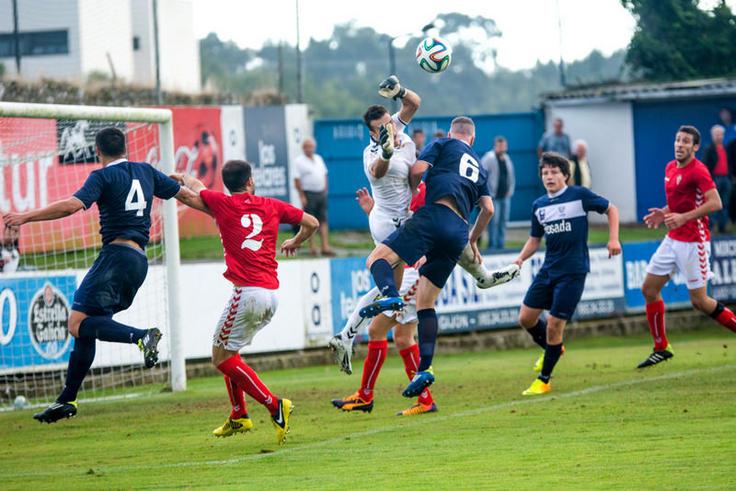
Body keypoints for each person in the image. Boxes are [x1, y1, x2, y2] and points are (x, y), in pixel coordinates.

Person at [3, 127, 186, 423]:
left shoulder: (102, 176)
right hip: (139, 260)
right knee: (86, 324)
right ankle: (67, 400)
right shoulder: (147, 171)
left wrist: (26, 217)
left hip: (115, 257)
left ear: (97, 151)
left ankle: (141, 337)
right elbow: (183, 193)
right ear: (124, 147)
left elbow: (72, 206)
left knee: (77, 322)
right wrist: (215, 204)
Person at [327, 79, 501, 381]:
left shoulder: (396, 129)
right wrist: (385, 151)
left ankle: (346, 336)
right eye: (381, 129)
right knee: (396, 301)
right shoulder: (372, 152)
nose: (388, 130)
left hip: (406, 220)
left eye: (389, 124)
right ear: (372, 133)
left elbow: (413, 104)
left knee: (392, 310)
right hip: (390, 224)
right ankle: (482, 276)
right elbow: (378, 172)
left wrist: (399, 91)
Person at [172, 160, 318, 444]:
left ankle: (275, 405)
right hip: (270, 295)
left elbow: (191, 194)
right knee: (231, 352)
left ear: (226, 185)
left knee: (220, 357)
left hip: (248, 293)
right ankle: (239, 414)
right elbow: (312, 223)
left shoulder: (221, 204)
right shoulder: (271, 205)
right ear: (250, 181)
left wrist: (169, 180)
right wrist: (296, 241)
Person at [358, 116, 494, 398]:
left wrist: (412, 189)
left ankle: (390, 294)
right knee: (426, 305)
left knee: (376, 260)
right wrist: (472, 238)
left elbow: (417, 169)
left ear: (450, 133)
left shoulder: (442, 144)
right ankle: (425, 369)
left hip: (435, 215)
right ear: (473, 138)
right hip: (458, 231)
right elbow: (489, 209)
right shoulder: (479, 165)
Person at [513, 152, 620, 395]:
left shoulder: (579, 195)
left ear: (565, 176)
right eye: (545, 173)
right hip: (548, 269)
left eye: (554, 172)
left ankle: (544, 380)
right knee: (526, 318)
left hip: (573, 271)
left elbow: (611, 209)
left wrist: (614, 239)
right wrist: (520, 258)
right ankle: (554, 349)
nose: (549, 176)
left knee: (554, 324)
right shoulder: (539, 205)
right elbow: (534, 239)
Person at [331, 185, 438, 416]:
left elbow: (430, 225)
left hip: (412, 272)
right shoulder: (404, 189)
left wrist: (427, 253)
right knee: (402, 336)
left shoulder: (421, 190)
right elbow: (398, 226)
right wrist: (372, 212)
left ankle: (365, 395)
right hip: (406, 269)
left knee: (377, 329)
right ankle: (425, 399)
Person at [638, 125, 736, 368]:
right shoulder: (670, 168)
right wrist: (665, 212)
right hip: (673, 238)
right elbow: (680, 203)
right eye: (677, 140)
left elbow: (716, 203)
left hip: (695, 241)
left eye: (685, 142)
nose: (679, 144)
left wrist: (684, 218)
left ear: (695, 147)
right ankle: (661, 347)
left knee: (700, 301)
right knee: (649, 289)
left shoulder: (699, 171)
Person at [293, 138, 334, 256]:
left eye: (311, 146)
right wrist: (302, 196)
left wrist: (325, 189)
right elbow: (296, 180)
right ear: (303, 148)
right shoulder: (299, 161)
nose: (309, 149)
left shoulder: (318, 159)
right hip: (308, 193)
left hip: (321, 193)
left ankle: (325, 246)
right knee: (309, 222)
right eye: (307, 146)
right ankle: (312, 247)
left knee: (324, 220)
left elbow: (324, 174)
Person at [482, 136, 515, 251]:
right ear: (495, 145)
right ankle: (492, 246)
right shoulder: (489, 158)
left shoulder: (507, 158)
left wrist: (510, 190)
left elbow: (511, 176)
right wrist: (487, 193)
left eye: (504, 145)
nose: (502, 147)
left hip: (505, 196)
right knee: (493, 222)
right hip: (493, 196)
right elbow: (482, 175)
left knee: (503, 221)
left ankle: (501, 246)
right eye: (500, 145)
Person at [704, 125, 731, 233]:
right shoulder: (709, 149)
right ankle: (709, 228)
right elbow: (705, 165)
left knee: (724, 204)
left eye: (720, 134)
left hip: (725, 178)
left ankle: (722, 227)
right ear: (712, 135)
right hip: (714, 179)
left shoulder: (726, 149)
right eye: (716, 134)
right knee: (712, 204)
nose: (719, 136)